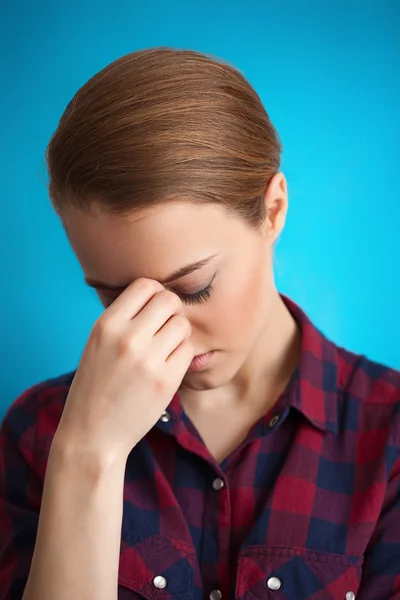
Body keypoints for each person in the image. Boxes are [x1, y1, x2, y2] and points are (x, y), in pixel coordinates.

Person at [0, 47, 399, 600]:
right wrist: (87, 456)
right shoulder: (38, 435)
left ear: (274, 209)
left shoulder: (391, 438)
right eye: (117, 298)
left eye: (194, 288)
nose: (166, 333)